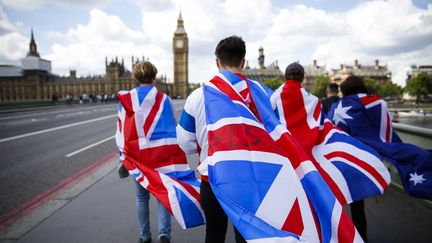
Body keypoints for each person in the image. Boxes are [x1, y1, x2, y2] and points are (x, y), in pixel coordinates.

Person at [176, 36, 248, 243]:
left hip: (213, 179)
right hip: (249, 180)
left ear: (217, 62)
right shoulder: (261, 95)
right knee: (246, 236)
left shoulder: (197, 96)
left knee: (214, 235)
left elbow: (185, 143)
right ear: (243, 62)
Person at [116, 61, 172, 243]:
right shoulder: (163, 98)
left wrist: (122, 158)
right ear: (154, 76)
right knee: (162, 194)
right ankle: (164, 234)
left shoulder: (126, 99)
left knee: (141, 198)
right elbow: (172, 128)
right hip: (160, 155)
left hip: (137, 157)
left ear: (135, 77)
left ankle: (145, 236)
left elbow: (121, 130)